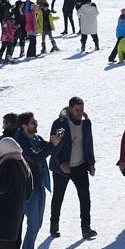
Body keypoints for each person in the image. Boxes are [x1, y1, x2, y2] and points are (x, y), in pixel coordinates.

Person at [48, 97, 96, 240]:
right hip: (62, 168)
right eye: (76, 110)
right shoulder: (60, 124)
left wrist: (91, 163)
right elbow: (53, 146)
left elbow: (89, 144)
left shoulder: (86, 124)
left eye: (81, 109)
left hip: (80, 165)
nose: (79, 113)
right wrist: (61, 163)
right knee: (58, 197)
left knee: (85, 196)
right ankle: (54, 225)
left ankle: (86, 228)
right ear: (70, 109)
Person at [14, 112, 56, 249]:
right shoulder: (21, 142)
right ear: (24, 126)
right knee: (33, 223)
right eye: (33, 122)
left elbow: (49, 149)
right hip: (29, 189)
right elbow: (36, 157)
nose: (36, 124)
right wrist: (52, 144)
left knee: (37, 223)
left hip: (40, 185)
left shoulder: (35, 138)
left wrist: (56, 140)